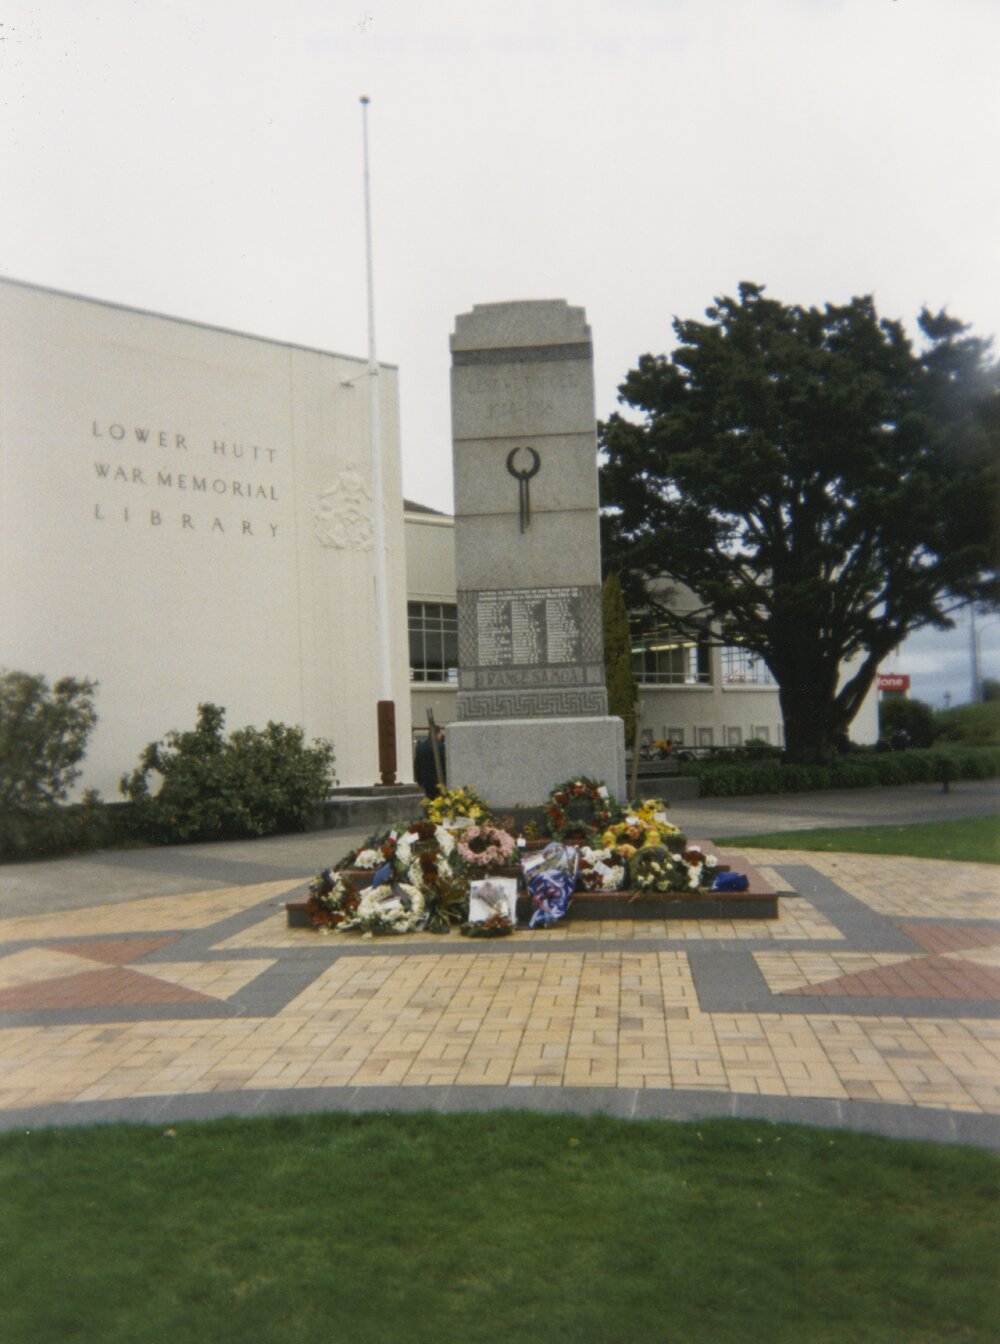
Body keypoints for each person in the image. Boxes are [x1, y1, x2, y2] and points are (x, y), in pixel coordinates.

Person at [413, 726, 445, 797]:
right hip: (438, 780)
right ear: (437, 734)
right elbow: (444, 763)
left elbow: (417, 764)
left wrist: (419, 780)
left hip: (425, 780)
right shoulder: (441, 746)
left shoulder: (420, 747)